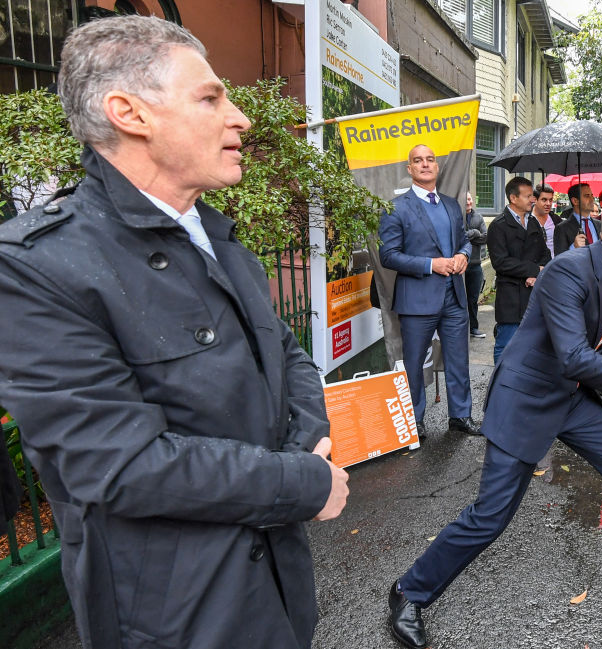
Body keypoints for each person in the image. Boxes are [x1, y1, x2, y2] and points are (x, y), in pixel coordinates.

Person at [0, 16, 349, 649]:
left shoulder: (214, 233)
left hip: (277, 586)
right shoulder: (35, 267)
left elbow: (285, 350)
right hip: (175, 615)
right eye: (211, 98)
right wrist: (300, 482)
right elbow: (120, 464)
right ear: (129, 113)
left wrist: (308, 442)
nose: (240, 118)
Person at [387, 193, 602, 649]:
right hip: (525, 398)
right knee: (490, 517)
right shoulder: (569, 270)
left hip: (571, 397)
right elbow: (574, 356)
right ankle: (408, 592)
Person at [378, 144, 481, 437]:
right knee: (414, 364)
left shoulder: (451, 204)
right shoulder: (396, 208)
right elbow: (389, 256)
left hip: (454, 298)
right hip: (417, 300)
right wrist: (430, 264)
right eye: (418, 160)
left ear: (437, 167)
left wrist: (462, 254)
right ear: (409, 169)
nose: (425, 164)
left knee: (458, 360)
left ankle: (460, 416)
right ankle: (414, 421)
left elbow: (464, 240)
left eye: (430, 160)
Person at [487, 177, 551, 363]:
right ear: (513, 198)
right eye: (528, 196)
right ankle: (500, 387)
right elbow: (501, 262)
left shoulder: (533, 223)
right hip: (511, 296)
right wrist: (533, 269)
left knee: (532, 345)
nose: (533, 199)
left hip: (533, 293)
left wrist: (537, 274)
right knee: (506, 344)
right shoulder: (498, 226)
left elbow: (545, 254)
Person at [464, 192, 487, 338]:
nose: (469, 201)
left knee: (472, 299)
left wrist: (468, 235)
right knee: (458, 299)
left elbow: (486, 237)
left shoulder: (478, 217)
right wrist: (474, 232)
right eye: (466, 199)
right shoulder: (456, 216)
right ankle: (460, 329)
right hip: (458, 266)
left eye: (470, 198)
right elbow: (457, 237)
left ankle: (473, 328)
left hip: (475, 265)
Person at [553, 182, 599, 255]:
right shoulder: (562, 228)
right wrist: (573, 247)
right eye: (587, 196)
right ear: (575, 201)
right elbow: (559, 260)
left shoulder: (600, 225)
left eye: (592, 195)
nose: (592, 199)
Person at [531, 183, 559, 258]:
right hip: (535, 266)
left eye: (550, 200)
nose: (548, 203)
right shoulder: (526, 220)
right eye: (544, 200)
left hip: (554, 265)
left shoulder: (556, 220)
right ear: (535, 200)